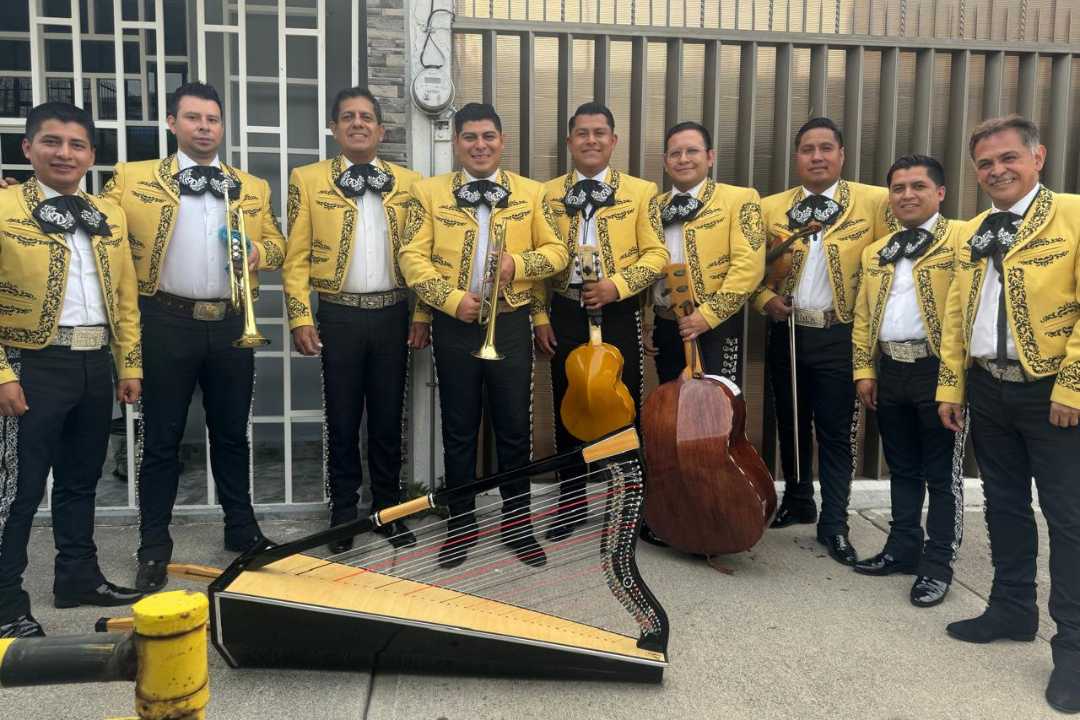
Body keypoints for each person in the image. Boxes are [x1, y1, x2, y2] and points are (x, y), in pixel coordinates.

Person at [99, 82, 286, 592]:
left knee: (231, 434)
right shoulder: (133, 177)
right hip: (166, 320)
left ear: (222, 126)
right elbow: (95, 221)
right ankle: (153, 546)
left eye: (213, 119)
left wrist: (258, 254)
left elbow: (278, 243)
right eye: (193, 118)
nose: (204, 127)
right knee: (161, 440)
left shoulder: (251, 186)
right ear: (172, 123)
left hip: (231, 322)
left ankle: (242, 530)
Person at [936, 115, 1080, 714]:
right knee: (1003, 503)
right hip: (987, 387)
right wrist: (951, 384)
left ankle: (1073, 649)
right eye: (986, 163)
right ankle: (1012, 608)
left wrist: (1073, 386)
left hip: (1051, 392)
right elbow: (956, 311)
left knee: (1069, 520)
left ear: (1037, 157)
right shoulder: (973, 230)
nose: (997, 170)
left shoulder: (1073, 215)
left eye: (1008, 158)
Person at [398, 102, 569, 569]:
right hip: (455, 323)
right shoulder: (427, 192)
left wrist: (518, 264)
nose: (479, 145)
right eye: (470, 137)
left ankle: (518, 525)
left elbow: (558, 251)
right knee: (459, 429)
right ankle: (461, 525)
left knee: (514, 428)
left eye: (488, 136)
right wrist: (450, 299)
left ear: (502, 141)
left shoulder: (532, 192)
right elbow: (411, 256)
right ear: (456, 142)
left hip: (510, 322)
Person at [0, 102, 143, 637]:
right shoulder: (4, 206)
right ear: (28, 148)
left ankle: (77, 576)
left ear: (91, 155)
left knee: (82, 480)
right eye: (52, 142)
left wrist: (129, 364)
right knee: (18, 489)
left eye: (77, 145)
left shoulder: (109, 214)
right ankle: (5, 604)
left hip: (93, 361)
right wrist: (2, 374)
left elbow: (125, 295)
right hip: (29, 362)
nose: (64, 153)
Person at [283, 87, 424, 553]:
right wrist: (301, 316)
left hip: (392, 313)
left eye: (366, 117)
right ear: (334, 128)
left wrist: (421, 313)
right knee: (342, 419)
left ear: (381, 130)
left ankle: (387, 510)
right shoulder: (307, 180)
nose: (357, 123)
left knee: (387, 419)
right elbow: (296, 256)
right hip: (338, 313)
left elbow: (422, 255)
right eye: (348, 117)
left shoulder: (410, 183)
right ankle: (343, 514)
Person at [752, 116, 895, 565]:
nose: (817, 157)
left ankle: (834, 522)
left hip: (840, 333)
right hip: (788, 330)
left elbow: (891, 268)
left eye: (826, 148)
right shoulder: (770, 208)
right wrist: (765, 301)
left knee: (835, 431)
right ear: (796, 157)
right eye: (808, 149)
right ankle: (798, 499)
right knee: (790, 421)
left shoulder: (874, 202)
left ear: (842, 155)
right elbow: (747, 270)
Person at [536, 101, 668, 543]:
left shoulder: (641, 191)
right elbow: (536, 256)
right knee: (569, 405)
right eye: (582, 133)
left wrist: (618, 286)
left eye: (599, 133)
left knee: (623, 406)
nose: (590, 140)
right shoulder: (546, 194)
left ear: (613, 141)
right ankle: (571, 502)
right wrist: (540, 315)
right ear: (569, 141)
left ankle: (629, 506)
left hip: (618, 310)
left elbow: (657, 255)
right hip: (566, 309)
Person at [850, 154, 964, 607]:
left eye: (918, 187)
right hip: (891, 370)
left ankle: (938, 563)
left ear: (940, 192)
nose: (907, 195)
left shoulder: (962, 240)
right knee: (902, 467)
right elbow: (863, 316)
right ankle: (902, 548)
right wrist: (864, 369)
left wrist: (955, 381)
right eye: (898, 188)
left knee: (942, 474)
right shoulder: (876, 251)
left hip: (937, 370)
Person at [647, 121, 764, 388]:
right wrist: (645, 322)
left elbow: (749, 268)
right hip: (666, 324)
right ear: (665, 162)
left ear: (710, 157)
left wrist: (707, 317)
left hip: (717, 325)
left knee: (720, 407)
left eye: (692, 151)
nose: (683, 159)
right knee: (672, 406)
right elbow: (643, 263)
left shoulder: (740, 199)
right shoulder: (654, 206)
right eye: (675, 153)